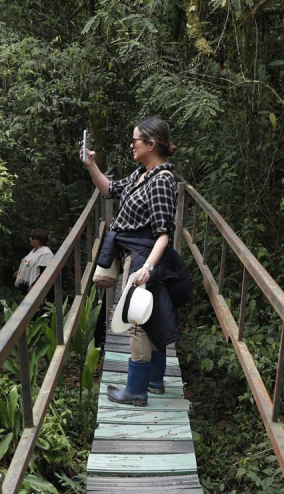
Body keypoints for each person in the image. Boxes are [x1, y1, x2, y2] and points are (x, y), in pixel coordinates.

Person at [81, 117, 192, 406]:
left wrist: (147, 268)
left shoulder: (161, 182)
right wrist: (92, 164)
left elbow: (164, 234)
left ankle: (136, 390)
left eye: (135, 140)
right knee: (150, 314)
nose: (131, 144)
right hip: (137, 254)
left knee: (137, 321)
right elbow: (109, 189)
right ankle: (154, 380)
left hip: (145, 257)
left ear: (151, 144)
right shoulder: (142, 174)